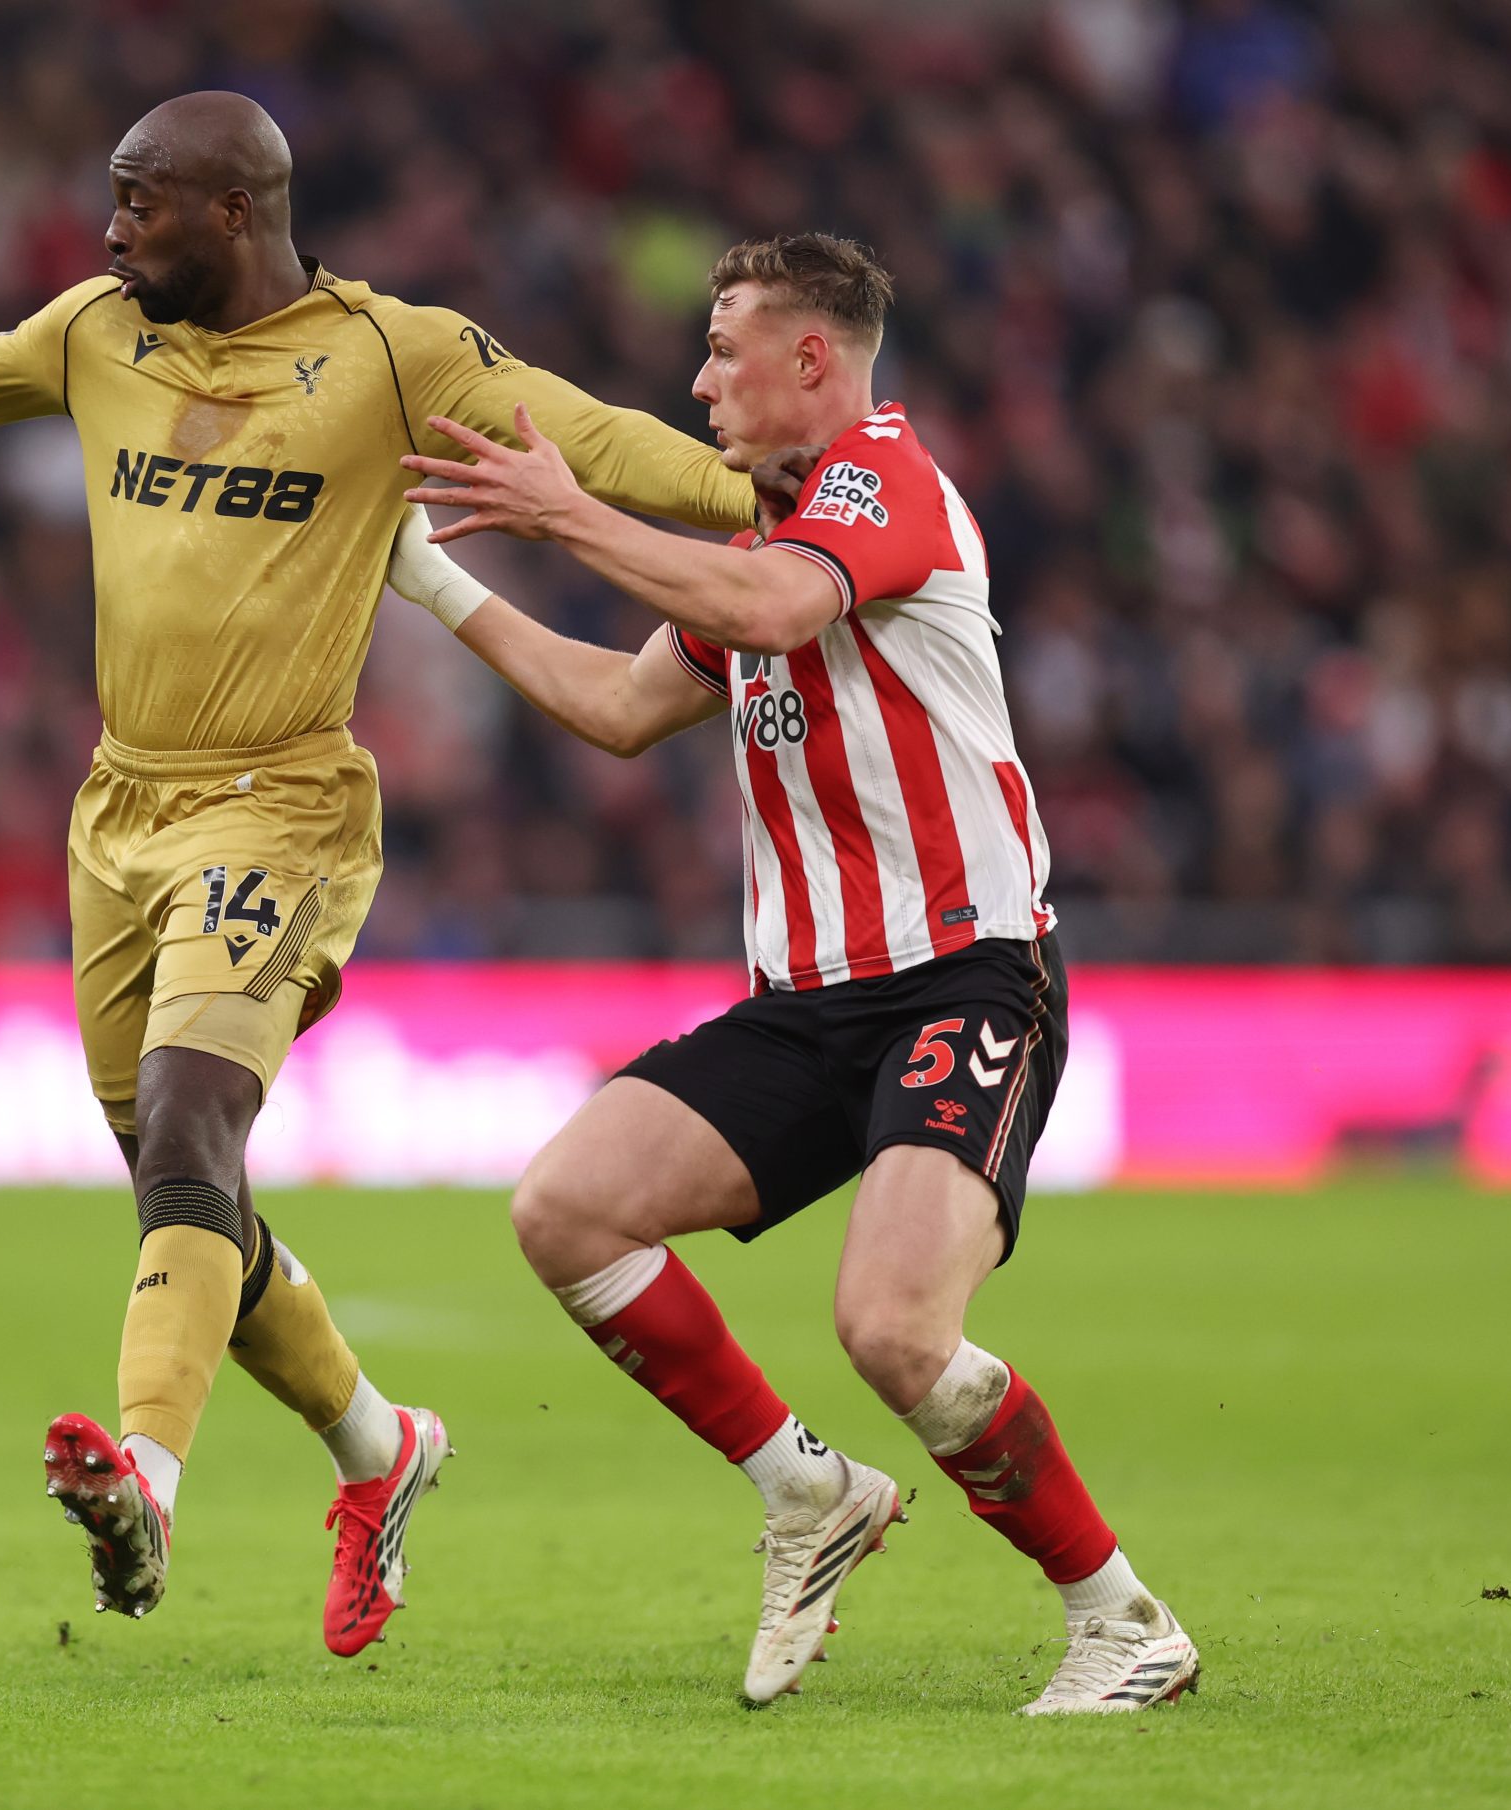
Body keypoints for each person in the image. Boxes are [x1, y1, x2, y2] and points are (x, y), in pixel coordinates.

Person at [0, 91, 762, 1650]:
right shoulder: (98, 331)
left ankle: (145, 1476)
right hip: (119, 810)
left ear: (232, 211)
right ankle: (382, 1446)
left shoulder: (392, 353)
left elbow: (600, 439)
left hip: (279, 802)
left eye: (137, 202)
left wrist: (782, 494)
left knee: (187, 1122)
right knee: (188, 1188)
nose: (108, 231)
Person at [387, 232, 1201, 1713]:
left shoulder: (883, 478)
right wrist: (431, 584)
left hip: (970, 976)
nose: (699, 381)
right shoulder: (764, 547)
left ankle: (1121, 1616)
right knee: (565, 1208)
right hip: (813, 1003)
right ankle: (806, 1490)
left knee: (894, 1330)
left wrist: (567, 513)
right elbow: (622, 705)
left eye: (722, 347)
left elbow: (773, 614)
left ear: (810, 359)